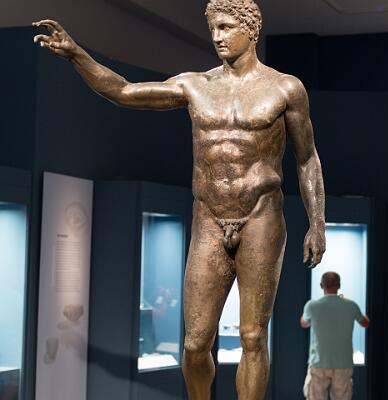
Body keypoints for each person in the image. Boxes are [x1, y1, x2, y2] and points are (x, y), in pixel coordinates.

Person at [33, 1, 326, 399]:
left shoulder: (285, 88)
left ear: (250, 29)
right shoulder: (195, 85)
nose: (217, 37)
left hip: (261, 216)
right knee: (195, 343)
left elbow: (307, 158)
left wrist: (317, 222)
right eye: (213, 29)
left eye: (226, 27)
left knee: (253, 336)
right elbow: (123, 91)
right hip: (209, 218)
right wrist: (77, 55)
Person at [300, 272, 370, 400]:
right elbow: (365, 323)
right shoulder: (351, 305)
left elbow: (304, 323)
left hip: (319, 362)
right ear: (339, 285)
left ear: (321, 285)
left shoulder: (312, 305)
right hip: (343, 363)